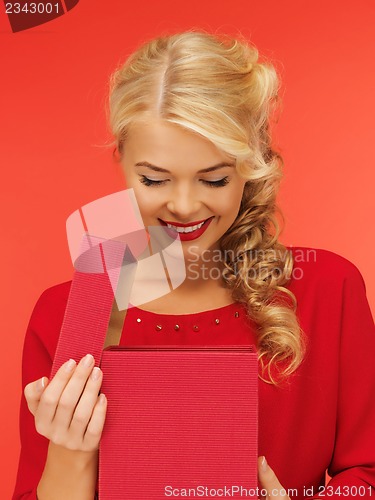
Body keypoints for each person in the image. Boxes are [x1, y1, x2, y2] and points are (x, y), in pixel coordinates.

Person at [12, 31, 375, 500]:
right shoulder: (69, 314)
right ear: (120, 157)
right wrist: (68, 451)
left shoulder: (328, 289)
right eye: (154, 179)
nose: (184, 206)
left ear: (252, 164)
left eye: (215, 178)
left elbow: (367, 475)